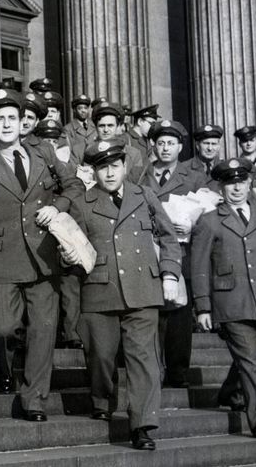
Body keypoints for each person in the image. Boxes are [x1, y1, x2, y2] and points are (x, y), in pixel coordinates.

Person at [66, 138, 183, 451]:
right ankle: (103, 397)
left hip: (143, 288)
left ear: (125, 166)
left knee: (144, 360)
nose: (109, 173)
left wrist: (170, 273)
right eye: (102, 167)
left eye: (114, 166)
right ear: (94, 170)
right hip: (99, 290)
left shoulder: (144, 195)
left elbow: (169, 237)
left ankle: (143, 425)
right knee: (100, 356)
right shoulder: (82, 203)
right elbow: (73, 247)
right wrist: (70, 255)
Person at [0, 89, 80, 422]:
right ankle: (5, 368)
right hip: (1, 258)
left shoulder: (44, 152)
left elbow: (73, 185)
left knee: (44, 329)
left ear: (23, 123)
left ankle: (34, 398)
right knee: (3, 328)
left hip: (43, 256)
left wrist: (56, 206)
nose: (6, 124)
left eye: (12, 119)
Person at [191, 158, 256, 439]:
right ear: (221, 187)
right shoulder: (209, 221)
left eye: (241, 182)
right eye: (229, 183)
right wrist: (203, 306)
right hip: (230, 303)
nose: (236, 188)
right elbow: (199, 266)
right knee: (249, 360)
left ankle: (230, 391)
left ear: (250, 183)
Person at [142, 120, 209, 388]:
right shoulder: (139, 174)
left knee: (179, 316)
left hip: (181, 252)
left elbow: (208, 214)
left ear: (180, 147)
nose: (165, 148)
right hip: (148, 251)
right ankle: (153, 371)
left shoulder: (194, 178)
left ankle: (178, 370)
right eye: (160, 143)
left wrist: (193, 225)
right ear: (153, 146)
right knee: (153, 314)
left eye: (171, 143)